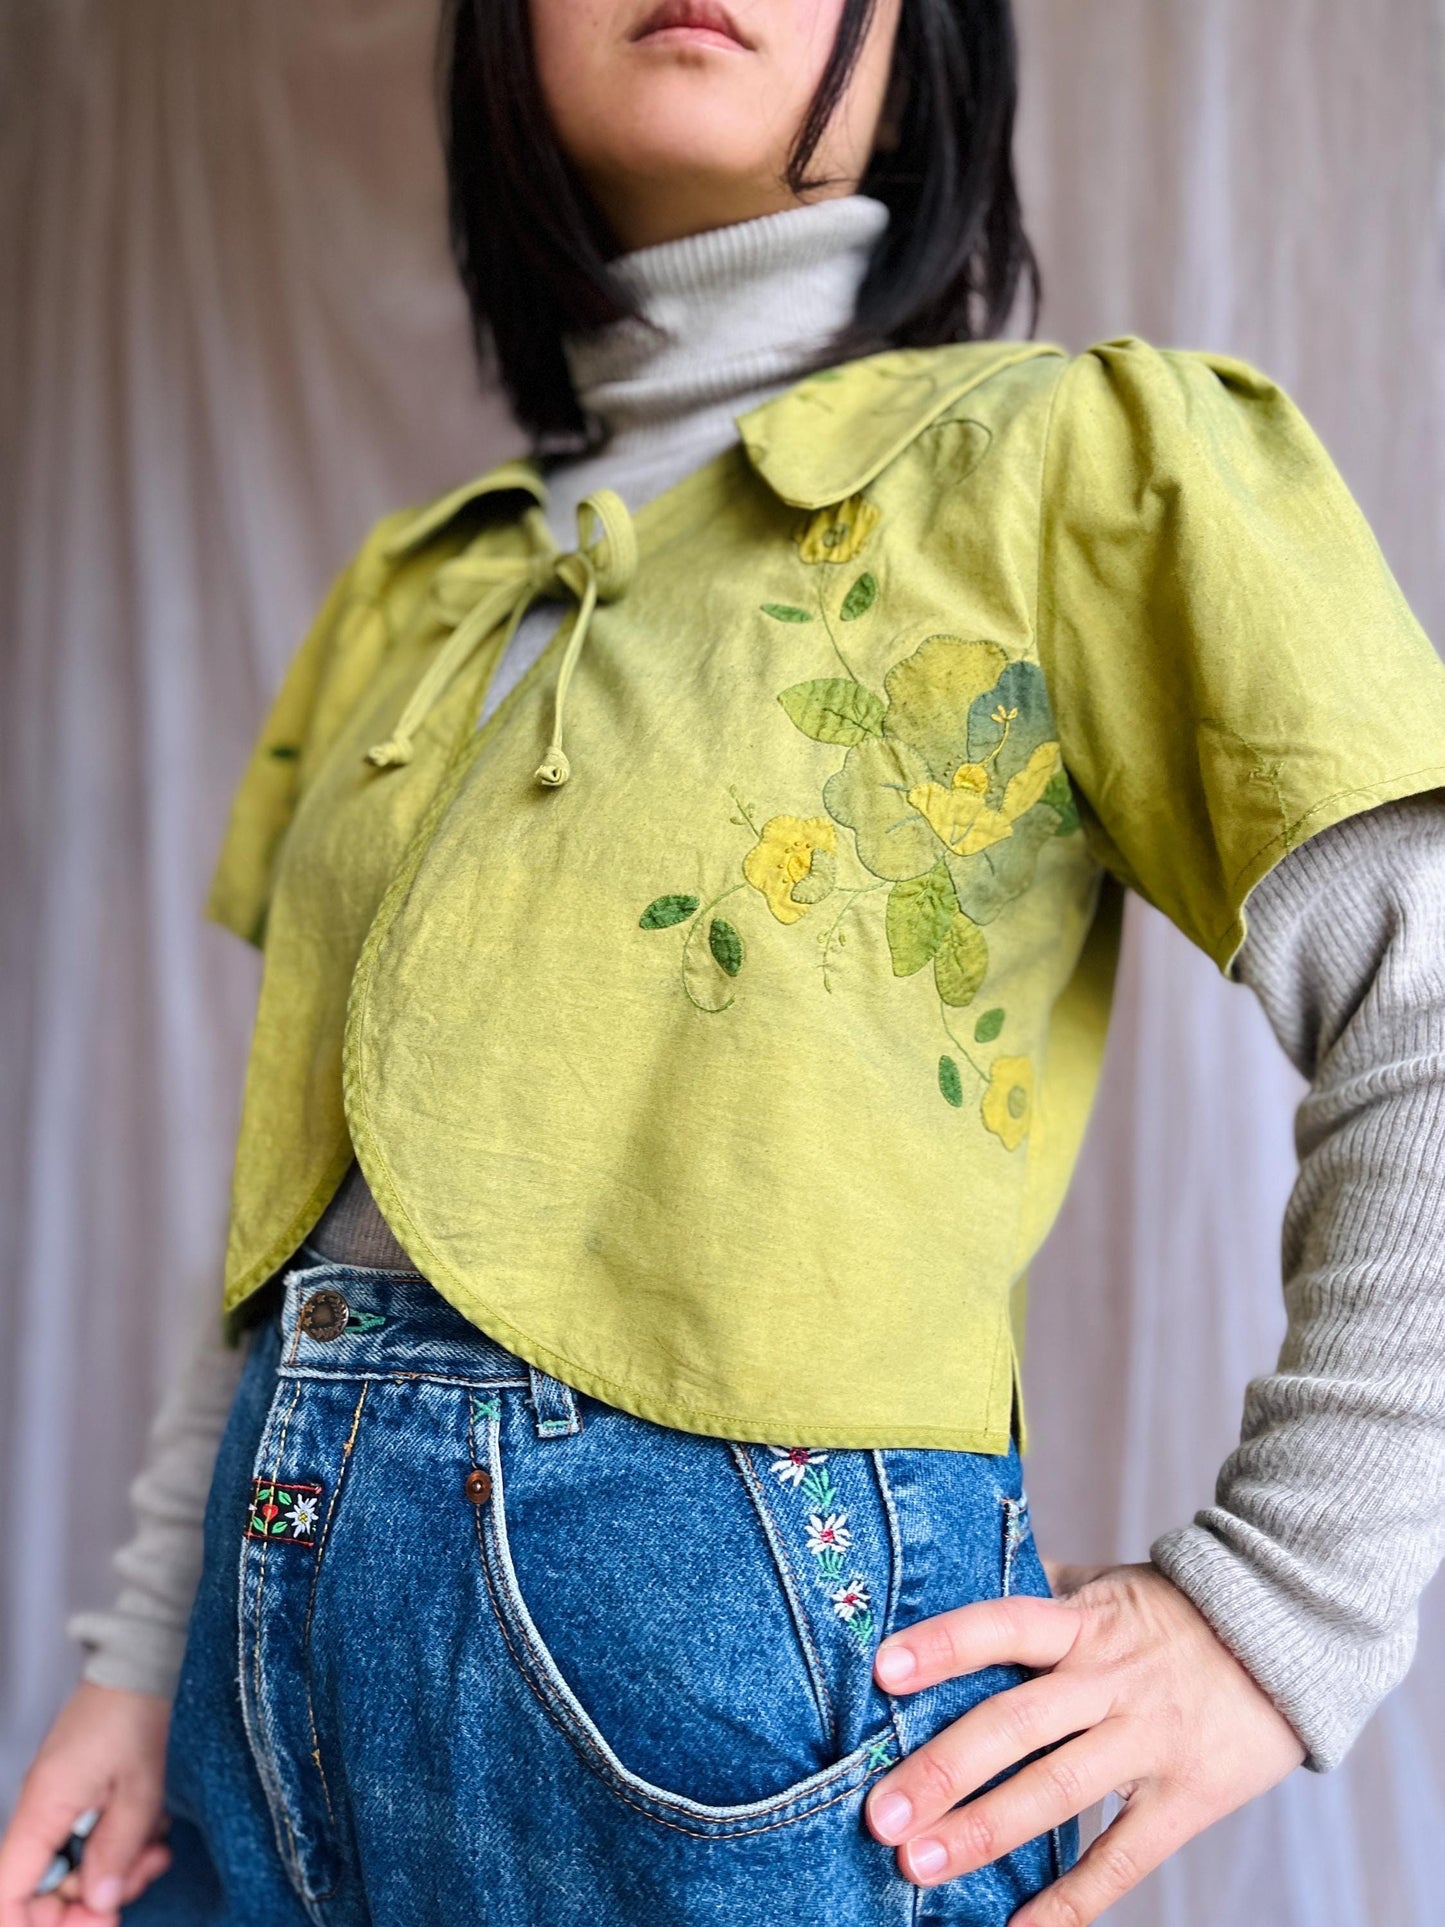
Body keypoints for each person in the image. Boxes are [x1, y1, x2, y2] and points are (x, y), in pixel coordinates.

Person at [4, 1, 1444, 1922]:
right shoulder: (414, 593)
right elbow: (295, 1223)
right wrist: (132, 1655)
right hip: (262, 1702)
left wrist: (1285, 1610)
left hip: (754, 1723)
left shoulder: (1068, 468)